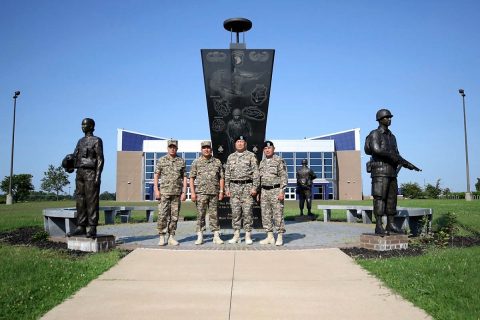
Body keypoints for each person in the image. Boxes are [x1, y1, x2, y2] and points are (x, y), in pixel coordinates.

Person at [365, 108, 421, 235]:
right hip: (379, 172)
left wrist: (407, 163)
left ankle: (391, 224)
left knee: (392, 199)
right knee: (380, 198)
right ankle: (379, 225)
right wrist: (394, 157)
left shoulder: (392, 137)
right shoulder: (375, 134)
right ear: (380, 119)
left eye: (390, 117)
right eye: (387, 117)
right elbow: (377, 150)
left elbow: (397, 154)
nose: (389, 119)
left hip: (392, 172)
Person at [66, 118, 104, 238]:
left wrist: (98, 175)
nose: (83, 126)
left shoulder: (97, 140)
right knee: (80, 200)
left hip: (91, 173)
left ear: (92, 126)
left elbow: (100, 159)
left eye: (85, 124)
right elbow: (75, 156)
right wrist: (69, 159)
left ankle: (92, 227)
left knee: (91, 200)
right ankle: (81, 226)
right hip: (80, 172)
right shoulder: (80, 141)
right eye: (82, 124)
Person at [224, 135, 259, 245]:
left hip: (247, 187)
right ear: (235, 144)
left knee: (247, 212)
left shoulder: (251, 156)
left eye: (242, 141)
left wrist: (255, 187)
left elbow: (256, 173)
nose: (240, 143)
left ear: (245, 144)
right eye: (238, 141)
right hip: (234, 187)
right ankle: (236, 235)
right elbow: (227, 174)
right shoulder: (231, 157)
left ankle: (248, 235)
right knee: (235, 212)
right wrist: (227, 188)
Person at [189, 140, 225, 245]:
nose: (206, 149)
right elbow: (191, 178)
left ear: (211, 149)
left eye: (208, 148)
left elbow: (221, 178)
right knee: (201, 215)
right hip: (201, 193)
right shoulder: (196, 162)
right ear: (201, 150)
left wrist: (221, 191)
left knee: (214, 214)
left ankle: (216, 235)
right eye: (204, 148)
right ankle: (200, 235)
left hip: (214, 193)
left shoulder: (217, 162)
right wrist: (192, 192)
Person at [154, 139, 187, 246]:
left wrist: (184, 192)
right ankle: (162, 236)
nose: (172, 149)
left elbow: (184, 177)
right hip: (164, 193)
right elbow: (156, 175)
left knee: (174, 216)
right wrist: (156, 190)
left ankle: (171, 236)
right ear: (167, 148)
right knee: (162, 215)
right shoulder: (161, 160)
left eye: (174, 147)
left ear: (177, 148)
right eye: (170, 147)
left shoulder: (181, 161)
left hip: (176, 193)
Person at [258, 141, 288, 246]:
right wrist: (259, 192)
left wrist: (282, 191)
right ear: (263, 150)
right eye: (265, 148)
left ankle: (279, 236)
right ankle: (270, 237)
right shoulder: (262, 162)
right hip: (264, 191)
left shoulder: (279, 160)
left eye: (269, 148)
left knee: (278, 214)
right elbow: (260, 179)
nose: (267, 150)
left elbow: (283, 177)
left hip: (276, 191)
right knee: (266, 215)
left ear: (273, 149)